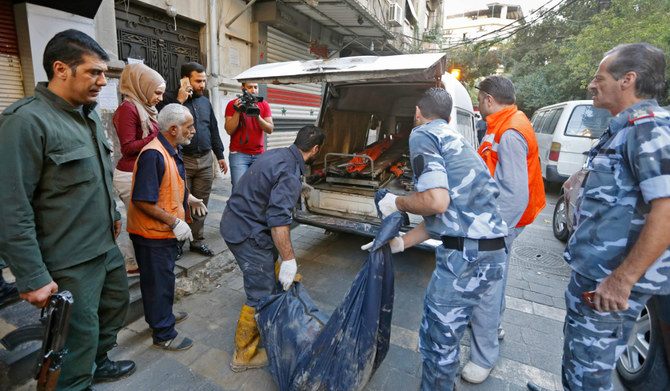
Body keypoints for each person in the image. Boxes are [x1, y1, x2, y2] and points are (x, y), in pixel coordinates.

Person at [0, 29, 134, 390]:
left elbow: (97, 174)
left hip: (104, 246)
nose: (103, 81)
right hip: (69, 259)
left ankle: (99, 362)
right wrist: (32, 275)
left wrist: (115, 216)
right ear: (61, 69)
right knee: (76, 338)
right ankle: (77, 382)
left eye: (104, 73)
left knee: (113, 310)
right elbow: (11, 207)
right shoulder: (26, 122)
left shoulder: (87, 115)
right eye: (94, 72)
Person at [370, 87, 508, 391]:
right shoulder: (457, 139)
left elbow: (435, 202)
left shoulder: (423, 133)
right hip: (492, 253)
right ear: (449, 115)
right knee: (450, 336)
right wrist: (401, 243)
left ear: (418, 113)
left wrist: (398, 202)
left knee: (437, 341)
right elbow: (444, 217)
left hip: (466, 258)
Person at [558, 43, 670, 390]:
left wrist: (622, 280)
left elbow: (666, 209)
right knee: (579, 362)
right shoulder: (624, 128)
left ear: (628, 80)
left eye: (599, 77)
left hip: (611, 282)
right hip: (596, 276)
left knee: (588, 377)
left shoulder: (647, 128)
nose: (592, 85)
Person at [220, 125, 325, 372]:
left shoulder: (277, 153)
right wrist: (289, 259)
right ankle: (243, 355)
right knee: (260, 291)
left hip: (237, 219)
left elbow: (268, 185)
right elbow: (278, 220)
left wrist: (297, 188)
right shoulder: (289, 171)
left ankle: (271, 324)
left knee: (271, 271)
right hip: (246, 232)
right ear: (316, 149)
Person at [462, 76, 545, 383]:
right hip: (509, 217)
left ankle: (484, 358)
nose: (479, 102)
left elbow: (515, 194)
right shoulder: (507, 121)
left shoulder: (510, 131)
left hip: (504, 219)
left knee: (486, 284)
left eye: (480, 98)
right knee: (498, 276)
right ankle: (494, 325)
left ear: (489, 99)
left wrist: (493, 231)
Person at [126, 103, 205, 351]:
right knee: (158, 283)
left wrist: (187, 198)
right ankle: (164, 333)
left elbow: (168, 184)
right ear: (173, 129)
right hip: (151, 234)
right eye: (189, 127)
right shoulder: (154, 154)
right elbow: (141, 199)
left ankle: (162, 317)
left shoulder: (171, 149)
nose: (193, 131)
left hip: (161, 233)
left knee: (162, 280)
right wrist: (174, 221)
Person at [158, 62, 227, 258]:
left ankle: (197, 241)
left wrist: (220, 155)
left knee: (201, 203)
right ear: (185, 79)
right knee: (179, 203)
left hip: (205, 160)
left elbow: (213, 128)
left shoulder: (205, 101)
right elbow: (164, 127)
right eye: (198, 81)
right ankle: (178, 242)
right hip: (182, 161)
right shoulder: (171, 100)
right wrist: (179, 101)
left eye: (204, 81)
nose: (202, 85)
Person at [113, 62, 165, 274]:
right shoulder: (128, 109)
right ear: (141, 86)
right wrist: (157, 135)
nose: (160, 98)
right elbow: (127, 148)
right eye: (158, 93)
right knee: (138, 222)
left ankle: (140, 261)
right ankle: (133, 263)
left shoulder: (146, 109)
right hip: (129, 175)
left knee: (145, 221)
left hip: (142, 173)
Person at [224, 82, 274, 188]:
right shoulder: (233, 104)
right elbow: (229, 130)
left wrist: (257, 116)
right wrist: (237, 111)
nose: (253, 90)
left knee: (258, 189)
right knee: (239, 189)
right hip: (239, 154)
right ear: (243, 88)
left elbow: (270, 129)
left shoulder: (263, 104)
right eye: (249, 87)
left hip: (259, 154)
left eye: (255, 87)